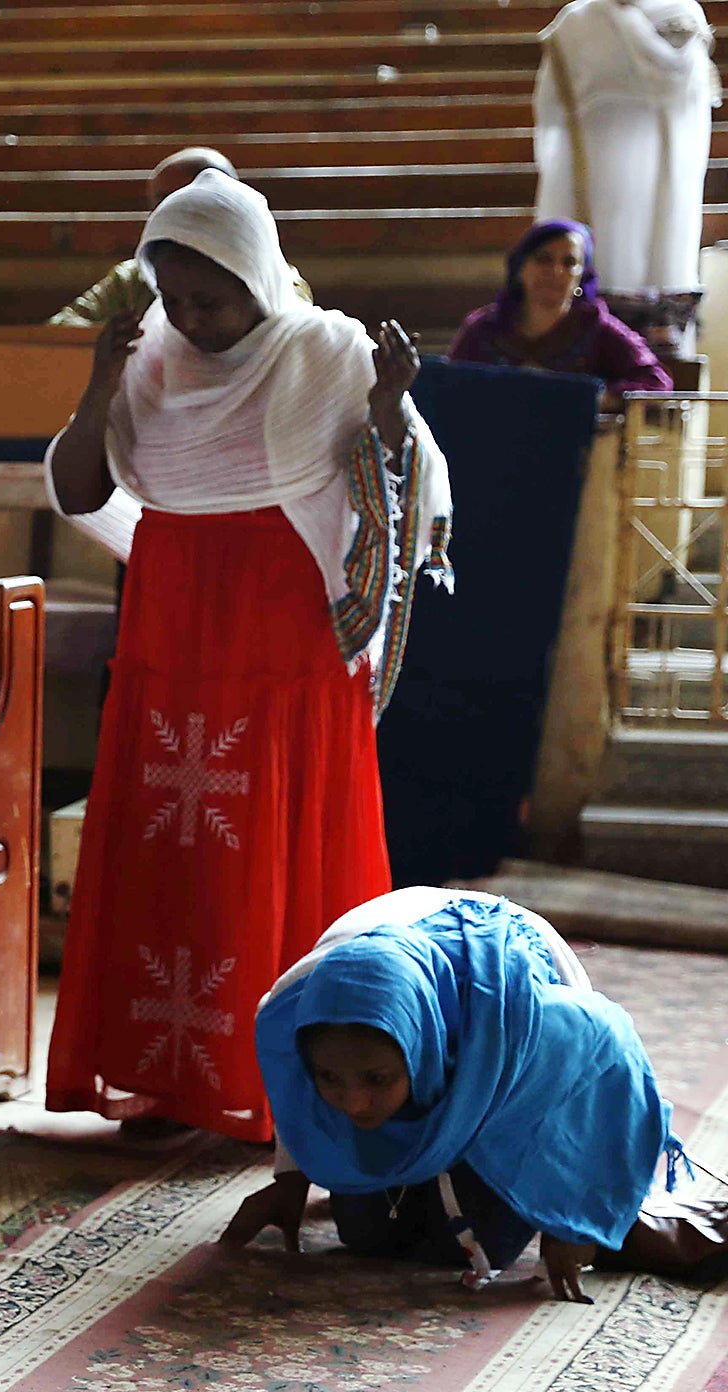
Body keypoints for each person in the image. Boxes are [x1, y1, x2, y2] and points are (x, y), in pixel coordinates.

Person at [41, 169, 454, 1143]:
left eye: (209, 298)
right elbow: (75, 487)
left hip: (280, 640)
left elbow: (399, 478)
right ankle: (160, 1075)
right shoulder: (147, 362)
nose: (192, 318)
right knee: (164, 851)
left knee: (266, 834)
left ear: (256, 277)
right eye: (175, 298)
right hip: (169, 624)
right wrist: (100, 380)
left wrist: (390, 406)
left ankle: (273, 1082)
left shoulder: (323, 349)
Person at [224, 888, 728, 1300]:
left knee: (481, 1241)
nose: (354, 1103)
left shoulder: (527, 1020)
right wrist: (291, 1177)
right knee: (367, 1236)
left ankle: (633, 1220)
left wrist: (574, 1216)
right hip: (421, 998)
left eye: (377, 1080)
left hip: (511, 1034)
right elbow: (298, 1088)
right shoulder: (299, 1004)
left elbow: (600, 1078)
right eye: (331, 1079)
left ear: (426, 1048)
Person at [534, 0, 716, 332]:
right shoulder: (577, 20)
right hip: (602, 166)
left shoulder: (678, 14)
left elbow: (549, 112)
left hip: (634, 165)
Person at [49, 147, 313, 326]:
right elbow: (62, 328)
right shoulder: (131, 278)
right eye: (157, 204)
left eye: (175, 203)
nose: (161, 216)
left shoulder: (273, 280)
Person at [447, 219, 674, 406]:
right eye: (543, 259)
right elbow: (450, 385)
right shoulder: (484, 328)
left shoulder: (596, 328)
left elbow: (656, 382)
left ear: (581, 276)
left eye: (569, 262)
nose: (556, 271)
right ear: (520, 268)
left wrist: (597, 397)